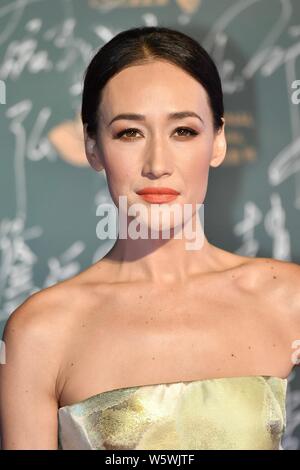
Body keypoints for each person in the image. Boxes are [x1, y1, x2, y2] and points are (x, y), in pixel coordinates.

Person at [0, 26, 299, 450]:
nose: (157, 163)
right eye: (129, 133)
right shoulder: (41, 332)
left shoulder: (287, 298)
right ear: (92, 146)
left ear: (218, 141)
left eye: (183, 131)